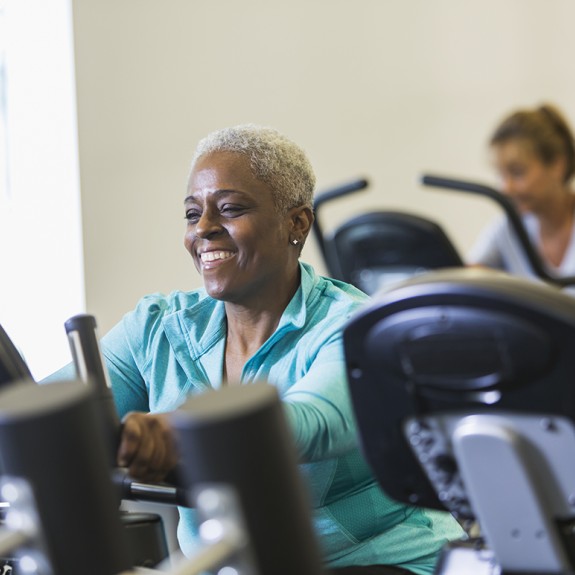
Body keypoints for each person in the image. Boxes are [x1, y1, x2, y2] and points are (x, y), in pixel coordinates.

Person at [48, 125, 465, 574]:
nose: (204, 229)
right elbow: (57, 409)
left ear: (296, 222)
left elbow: (314, 423)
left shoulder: (350, 327)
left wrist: (184, 433)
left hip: (374, 563)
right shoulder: (158, 329)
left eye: (229, 209)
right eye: (192, 214)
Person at [468, 103, 575, 282]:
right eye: (501, 175)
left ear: (557, 165)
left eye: (517, 172)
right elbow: (467, 275)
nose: (505, 188)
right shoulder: (509, 228)